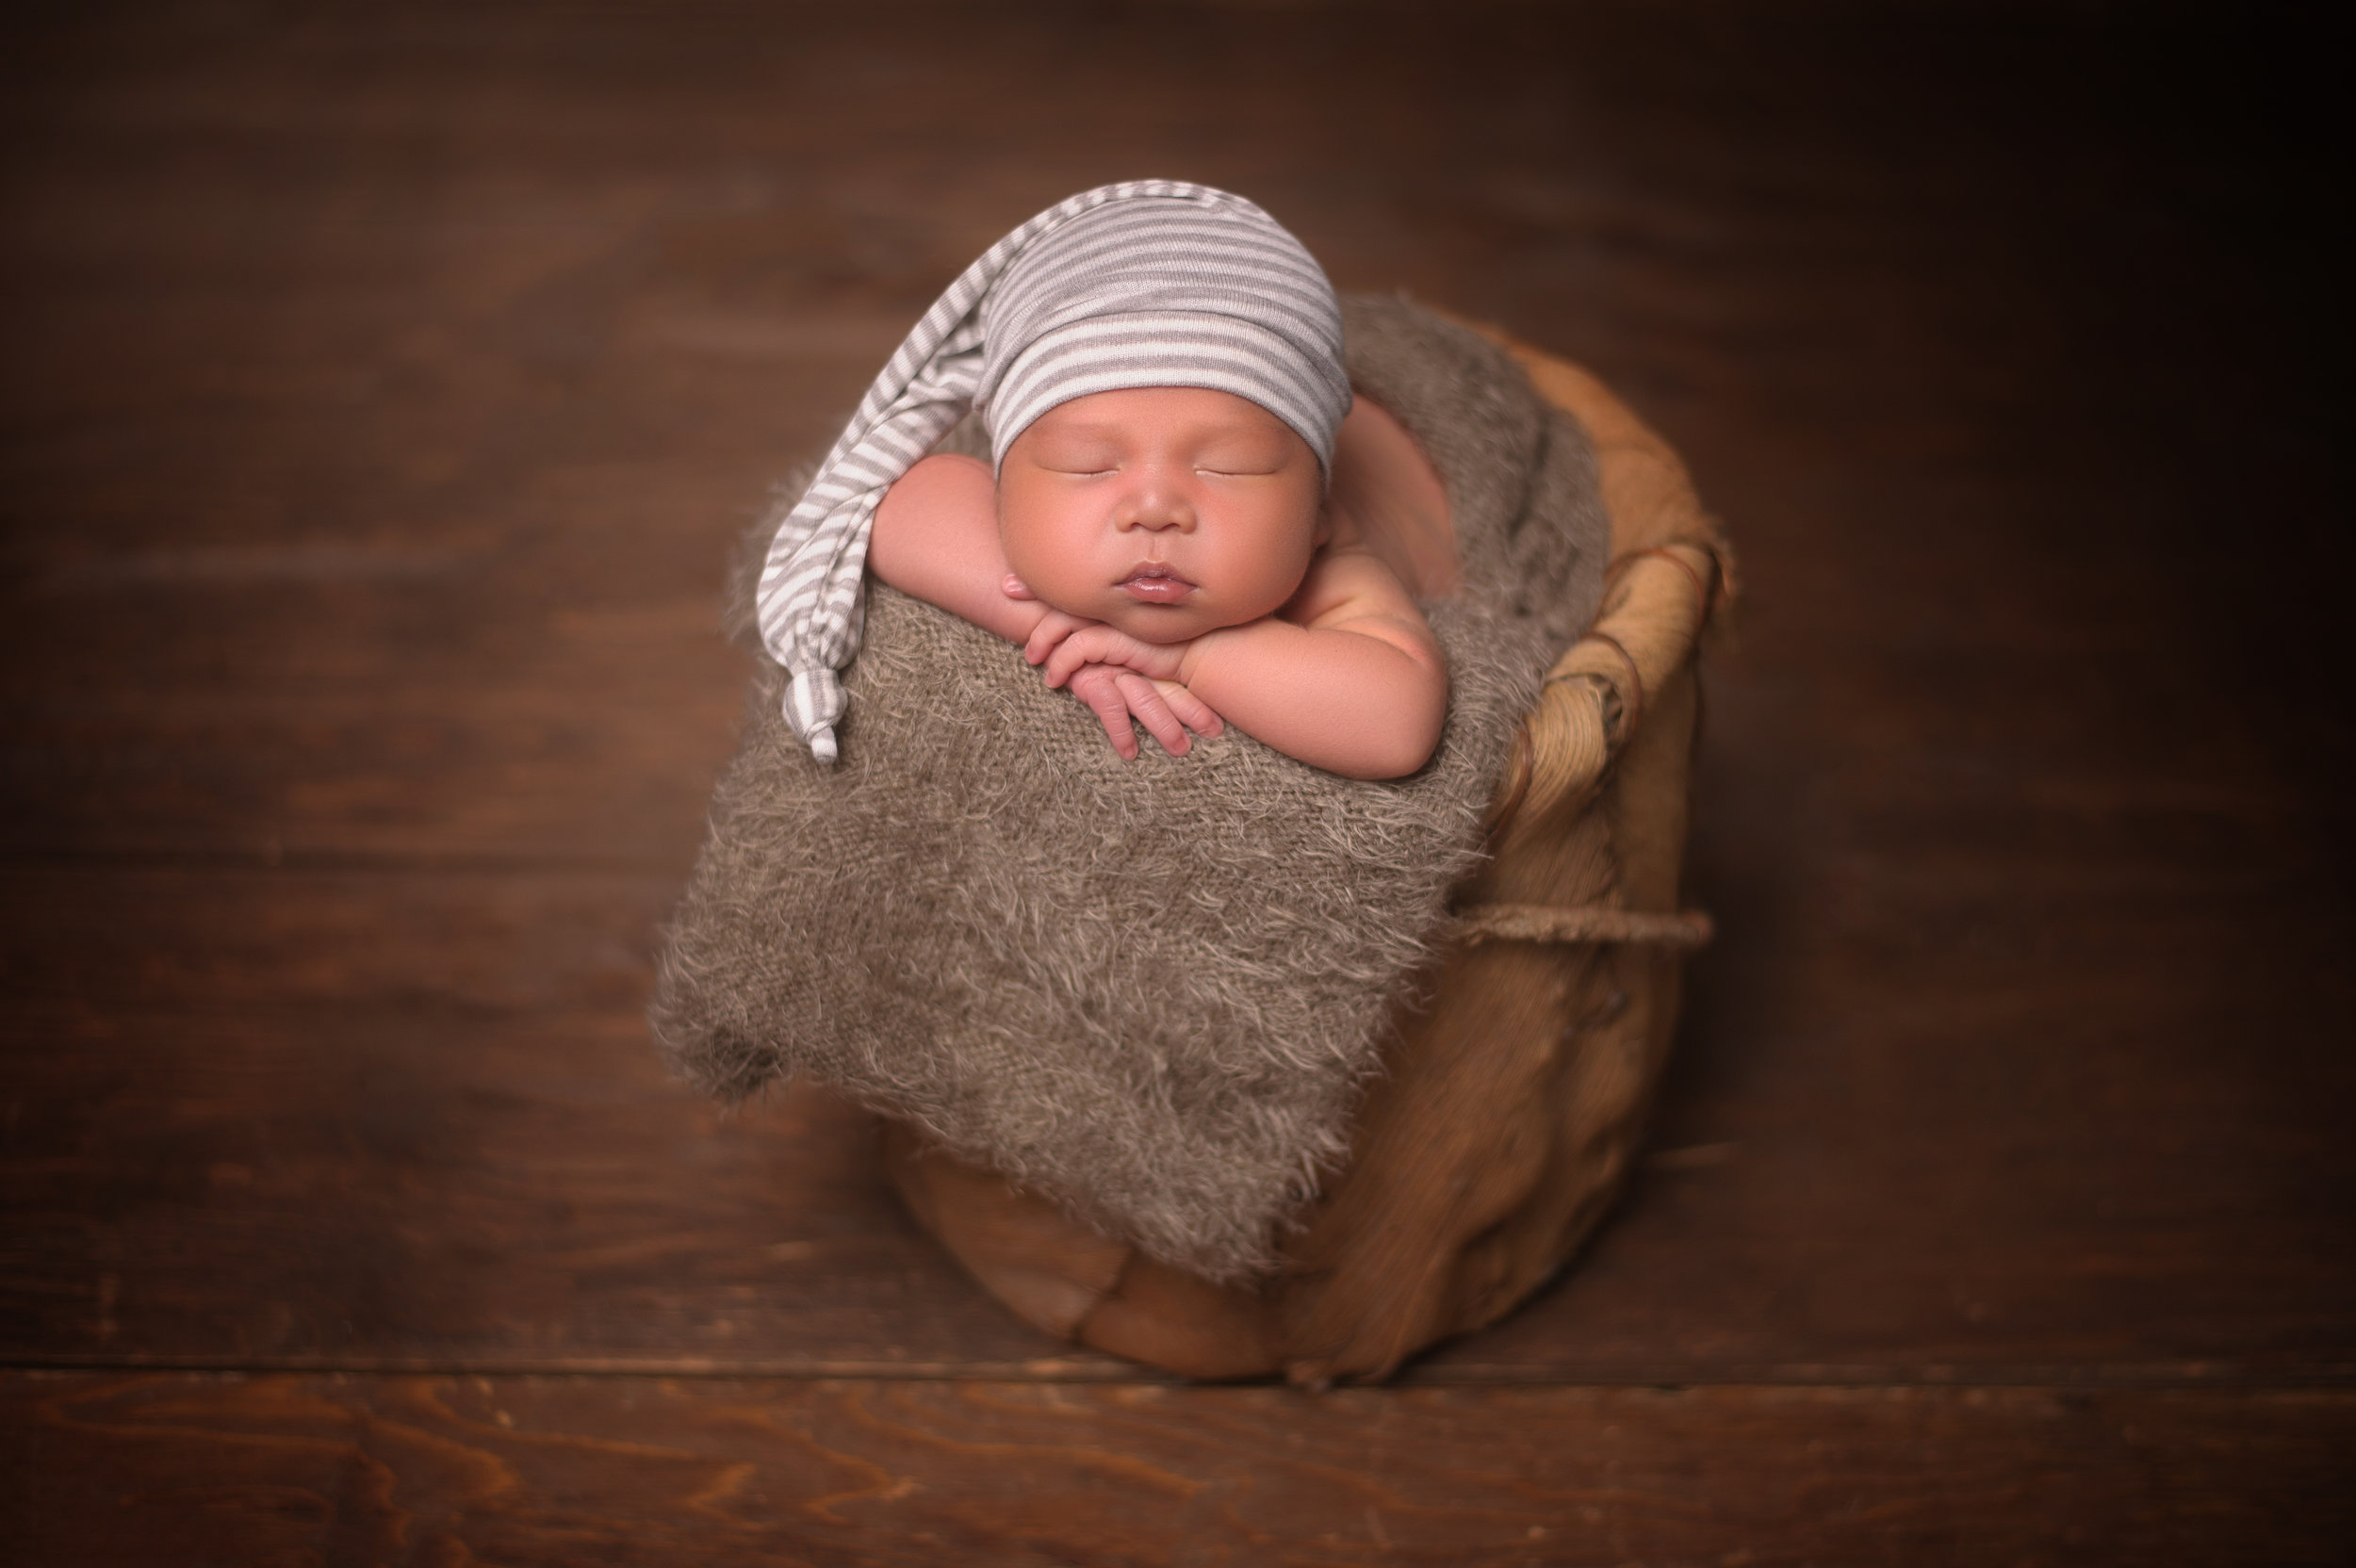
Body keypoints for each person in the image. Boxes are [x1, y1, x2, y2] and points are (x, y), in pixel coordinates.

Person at [754, 179, 1452, 779]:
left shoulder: (1330, 561)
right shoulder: (1010, 506)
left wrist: (1190, 654)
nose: (1154, 508)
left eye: (1231, 466)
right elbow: (905, 502)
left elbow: (1396, 723)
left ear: (1317, 511)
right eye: (1086, 465)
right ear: (1002, 488)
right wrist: (1056, 625)